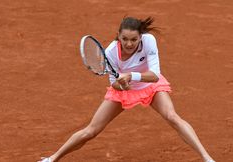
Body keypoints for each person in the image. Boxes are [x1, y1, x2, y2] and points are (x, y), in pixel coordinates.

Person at [39, 17, 215, 162]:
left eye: (133, 39)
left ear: (141, 37)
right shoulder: (109, 53)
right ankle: (52, 158)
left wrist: (131, 76)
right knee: (91, 130)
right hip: (124, 92)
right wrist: (121, 84)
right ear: (118, 36)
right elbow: (113, 82)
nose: (129, 44)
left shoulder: (149, 41)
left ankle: (207, 158)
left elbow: (154, 75)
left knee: (172, 117)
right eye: (124, 39)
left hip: (150, 86)